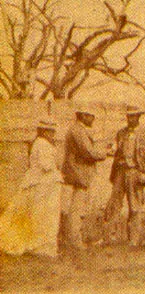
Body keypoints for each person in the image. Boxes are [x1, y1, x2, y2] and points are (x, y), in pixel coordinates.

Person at [0, 120, 62, 257]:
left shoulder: (41, 143)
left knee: (40, 214)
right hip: (42, 183)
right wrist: (57, 169)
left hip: (42, 183)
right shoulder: (42, 144)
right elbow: (47, 166)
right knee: (42, 215)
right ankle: (40, 247)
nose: (53, 134)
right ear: (44, 132)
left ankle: (39, 245)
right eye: (50, 131)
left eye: (53, 131)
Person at [103, 105, 145, 246]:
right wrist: (111, 149)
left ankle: (133, 239)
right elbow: (114, 149)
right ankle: (110, 237)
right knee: (114, 203)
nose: (130, 119)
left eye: (133, 116)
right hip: (120, 171)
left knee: (135, 205)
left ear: (138, 117)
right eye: (128, 116)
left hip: (135, 172)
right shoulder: (121, 133)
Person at [61, 106, 112, 249]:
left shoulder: (79, 130)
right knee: (77, 207)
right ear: (83, 116)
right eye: (91, 116)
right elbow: (88, 152)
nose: (93, 119)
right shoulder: (77, 130)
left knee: (80, 206)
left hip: (81, 173)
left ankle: (77, 238)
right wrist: (105, 153)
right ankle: (75, 240)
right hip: (78, 173)